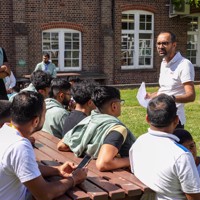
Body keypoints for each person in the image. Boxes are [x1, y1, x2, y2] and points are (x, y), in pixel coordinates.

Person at [0, 91, 87, 200]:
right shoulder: (19, 146)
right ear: (36, 121)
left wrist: (57, 170)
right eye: (45, 113)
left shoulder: (4, 131)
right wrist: (74, 179)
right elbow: (44, 194)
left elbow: (25, 168)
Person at [129, 94, 200, 200]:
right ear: (176, 120)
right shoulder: (181, 155)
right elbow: (194, 197)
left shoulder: (138, 143)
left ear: (147, 119)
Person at [57, 86, 136, 171]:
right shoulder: (118, 129)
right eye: (120, 102)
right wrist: (132, 160)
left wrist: (87, 149)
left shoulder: (88, 120)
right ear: (114, 106)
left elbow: (61, 145)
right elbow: (103, 163)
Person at [146, 31, 195, 128]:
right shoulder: (163, 63)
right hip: (159, 115)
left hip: (174, 119)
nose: (160, 46)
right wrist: (151, 95)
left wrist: (170, 99)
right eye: (158, 43)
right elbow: (165, 89)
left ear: (174, 45)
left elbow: (191, 96)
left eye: (165, 43)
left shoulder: (184, 64)